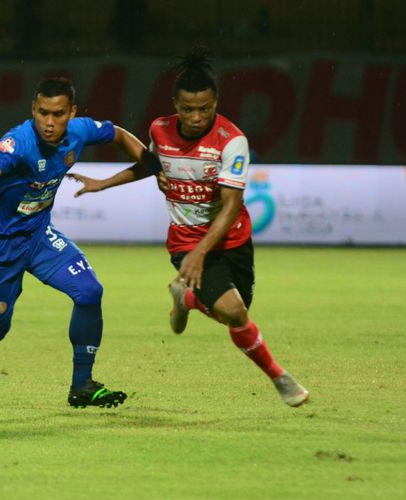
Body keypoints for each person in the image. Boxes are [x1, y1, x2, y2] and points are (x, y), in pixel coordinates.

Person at [67, 50, 310, 408]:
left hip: (231, 241)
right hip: (185, 241)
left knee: (238, 312)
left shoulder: (232, 141)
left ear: (216, 104)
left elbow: (230, 208)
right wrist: (103, 183)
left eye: (205, 109)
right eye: (187, 109)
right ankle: (280, 378)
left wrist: (201, 254)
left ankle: (187, 298)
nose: (196, 117)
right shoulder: (159, 130)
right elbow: (152, 165)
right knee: (235, 314)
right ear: (175, 105)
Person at [0, 77, 160, 408]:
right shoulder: (18, 143)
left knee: (90, 291)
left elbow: (116, 133)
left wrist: (148, 161)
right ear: (33, 109)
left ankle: (82, 386)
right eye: (43, 113)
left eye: (58, 114)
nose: (49, 123)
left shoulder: (80, 131)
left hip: (38, 238)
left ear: (71, 112)